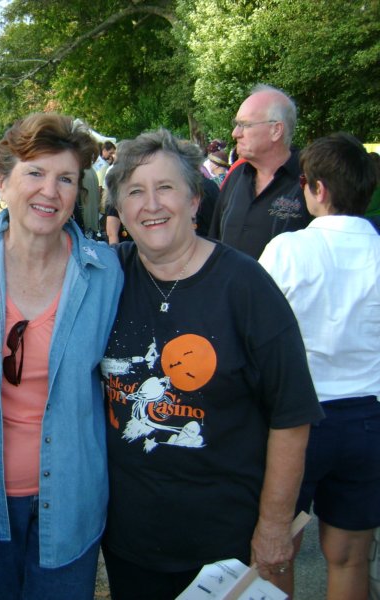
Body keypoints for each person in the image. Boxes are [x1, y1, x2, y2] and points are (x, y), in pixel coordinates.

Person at [99, 128, 322, 598]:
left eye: (166, 187)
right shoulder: (105, 276)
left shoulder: (245, 286)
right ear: (118, 207)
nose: (151, 204)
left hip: (226, 545)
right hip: (130, 541)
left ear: (195, 200)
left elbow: (292, 414)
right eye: (135, 191)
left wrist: (274, 525)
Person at [0, 113, 124, 599]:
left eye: (65, 178)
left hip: (71, 498)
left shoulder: (106, 273)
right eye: (35, 173)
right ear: (2, 182)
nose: (50, 191)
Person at [258, 132, 380, 600]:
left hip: (297, 421)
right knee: (350, 556)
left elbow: (257, 334)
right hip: (368, 418)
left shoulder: (288, 249)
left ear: (319, 188)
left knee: (277, 550)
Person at [209, 84, 312, 259]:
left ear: (276, 130)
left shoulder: (310, 180)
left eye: (244, 125)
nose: (235, 133)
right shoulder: (237, 175)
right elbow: (214, 241)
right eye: (236, 124)